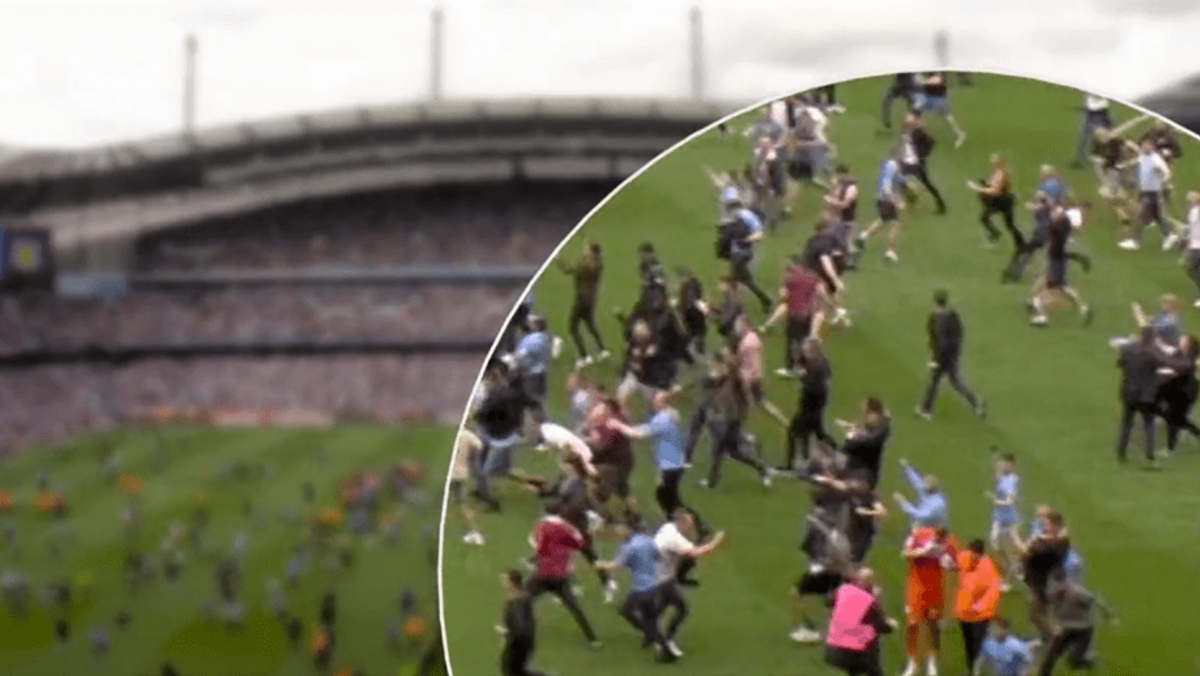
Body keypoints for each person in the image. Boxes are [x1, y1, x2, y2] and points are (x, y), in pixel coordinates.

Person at [597, 516, 677, 662]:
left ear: (629, 529)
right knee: (650, 618)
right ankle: (660, 646)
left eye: (621, 529)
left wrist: (599, 565)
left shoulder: (629, 547)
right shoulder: (648, 541)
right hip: (654, 586)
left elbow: (614, 566)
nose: (618, 532)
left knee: (627, 611)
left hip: (641, 589)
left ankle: (657, 642)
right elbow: (657, 557)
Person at [606, 391, 695, 521]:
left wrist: (617, 425)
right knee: (670, 497)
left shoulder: (663, 419)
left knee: (667, 498)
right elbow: (645, 427)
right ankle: (684, 521)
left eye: (656, 401)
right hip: (676, 463)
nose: (653, 403)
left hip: (670, 465)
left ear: (663, 403)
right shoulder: (671, 415)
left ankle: (683, 522)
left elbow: (637, 434)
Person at [527, 502, 600, 647]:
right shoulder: (569, 528)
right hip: (562, 576)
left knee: (522, 599)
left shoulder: (543, 526)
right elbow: (580, 544)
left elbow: (539, 546)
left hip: (544, 574)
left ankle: (513, 628)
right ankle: (592, 639)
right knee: (575, 608)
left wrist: (533, 559)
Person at [653, 509, 725, 650]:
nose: (691, 529)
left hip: (658, 576)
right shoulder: (674, 539)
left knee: (661, 609)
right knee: (681, 609)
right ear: (681, 522)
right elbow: (696, 552)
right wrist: (715, 542)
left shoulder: (668, 528)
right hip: (661, 581)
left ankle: (657, 637)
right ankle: (665, 641)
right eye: (689, 525)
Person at [900, 526, 959, 676]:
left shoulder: (948, 541)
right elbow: (906, 553)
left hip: (935, 588)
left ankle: (933, 663)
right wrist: (923, 552)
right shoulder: (918, 534)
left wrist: (946, 561)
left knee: (933, 625)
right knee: (913, 625)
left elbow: (955, 565)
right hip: (916, 586)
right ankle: (913, 663)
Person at [918, 290, 986, 420]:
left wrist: (936, 359)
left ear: (935, 303)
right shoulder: (952, 316)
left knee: (952, 383)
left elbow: (939, 342)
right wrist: (955, 353)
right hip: (951, 356)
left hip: (944, 358)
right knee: (939, 383)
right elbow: (959, 334)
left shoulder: (937, 319)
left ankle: (975, 403)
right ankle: (926, 409)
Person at [790, 513, 855, 644]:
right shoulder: (842, 539)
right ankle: (826, 634)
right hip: (838, 576)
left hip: (826, 574)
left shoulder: (831, 541)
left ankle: (810, 628)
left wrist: (819, 567)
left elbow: (830, 559)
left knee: (796, 593)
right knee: (829, 605)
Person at [824, 568, 898, 676]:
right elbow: (881, 627)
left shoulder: (843, 590)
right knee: (870, 636)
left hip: (832, 652)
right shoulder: (870, 600)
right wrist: (892, 624)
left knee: (857, 633)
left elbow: (831, 604)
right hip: (857, 655)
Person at [1028, 203, 1092, 327]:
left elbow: (1045, 229)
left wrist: (1037, 210)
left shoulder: (1055, 230)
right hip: (1058, 261)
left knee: (1052, 289)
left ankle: (1041, 314)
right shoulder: (1064, 226)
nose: (1053, 214)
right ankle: (1083, 309)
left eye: (1056, 213)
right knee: (1060, 286)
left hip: (1056, 262)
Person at [1037, 576, 1117, 676]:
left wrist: (1107, 613)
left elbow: (1094, 600)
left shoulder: (1077, 592)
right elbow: (1045, 603)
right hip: (1066, 629)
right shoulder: (1055, 593)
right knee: (1051, 657)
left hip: (1082, 630)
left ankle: (1088, 661)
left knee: (1074, 662)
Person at [763, 255, 827, 375]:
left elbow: (784, 295)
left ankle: (791, 368)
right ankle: (807, 366)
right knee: (805, 340)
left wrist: (782, 287)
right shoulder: (813, 277)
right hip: (808, 314)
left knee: (792, 341)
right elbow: (821, 292)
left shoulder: (791, 278)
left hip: (795, 314)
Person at [1013, 510, 1071, 642]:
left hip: (1043, 582)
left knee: (1037, 614)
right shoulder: (1055, 539)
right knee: (1040, 613)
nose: (1045, 526)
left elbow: (1025, 551)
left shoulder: (1052, 543)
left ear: (1056, 525)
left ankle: (1052, 638)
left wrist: (1015, 537)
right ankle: (1047, 637)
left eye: (1047, 524)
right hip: (1039, 580)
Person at [1115, 326, 1167, 465]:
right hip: (1147, 394)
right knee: (1149, 424)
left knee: (1127, 423)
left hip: (1129, 391)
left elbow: (1120, 364)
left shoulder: (1128, 348)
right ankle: (1150, 455)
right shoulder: (1154, 352)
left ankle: (1121, 451)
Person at [785, 337, 837, 472]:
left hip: (810, 405)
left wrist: (803, 385)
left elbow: (813, 387)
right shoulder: (821, 361)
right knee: (818, 433)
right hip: (818, 405)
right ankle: (834, 450)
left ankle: (791, 465)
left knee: (793, 432)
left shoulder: (814, 364)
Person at [953, 539, 1003, 676]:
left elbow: (994, 588)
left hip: (981, 615)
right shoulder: (964, 558)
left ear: (980, 554)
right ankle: (971, 670)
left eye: (974, 554)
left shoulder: (988, 567)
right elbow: (954, 559)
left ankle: (982, 667)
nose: (971, 556)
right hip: (964, 612)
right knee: (968, 644)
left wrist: (981, 605)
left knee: (978, 644)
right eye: (970, 553)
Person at [557, 239, 608, 368]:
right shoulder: (598, 265)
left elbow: (569, 270)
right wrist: (586, 255)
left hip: (581, 300)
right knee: (590, 324)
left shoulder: (585, 266)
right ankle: (602, 349)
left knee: (573, 328)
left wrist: (558, 260)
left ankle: (584, 356)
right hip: (591, 300)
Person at [1118, 140, 1174, 251]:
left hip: (1152, 192)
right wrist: (1124, 165)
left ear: (1152, 149)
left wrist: (1162, 182)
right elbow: (1136, 158)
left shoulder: (1156, 160)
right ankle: (1168, 235)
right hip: (1145, 191)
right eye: (1143, 147)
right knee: (1158, 216)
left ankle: (1135, 241)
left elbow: (1167, 173)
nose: (1144, 149)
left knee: (1141, 213)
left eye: (1146, 147)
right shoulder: (1143, 157)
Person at [857, 151, 907, 264]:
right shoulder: (895, 167)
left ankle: (864, 235)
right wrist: (896, 200)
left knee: (883, 220)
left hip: (882, 198)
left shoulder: (887, 164)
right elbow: (889, 185)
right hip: (889, 199)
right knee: (895, 224)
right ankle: (890, 251)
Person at [969, 154, 1024, 255]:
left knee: (1007, 224)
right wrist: (985, 182)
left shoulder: (1000, 173)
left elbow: (994, 191)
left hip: (1003, 202)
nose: (992, 163)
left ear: (999, 162)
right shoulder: (998, 171)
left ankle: (1018, 243)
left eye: (994, 162)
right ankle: (999, 235)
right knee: (986, 217)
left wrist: (978, 188)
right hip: (1002, 200)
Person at [1157, 333, 1200, 454]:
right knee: (1176, 418)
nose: (1180, 342)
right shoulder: (1178, 352)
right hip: (1175, 388)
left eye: (1183, 340)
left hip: (1187, 391)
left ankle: (1170, 448)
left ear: (1189, 344)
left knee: (1175, 419)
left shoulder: (1194, 356)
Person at [499, 570, 547, 676]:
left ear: (512, 584)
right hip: (524, 643)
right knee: (516, 671)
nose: (503, 583)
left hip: (518, 646)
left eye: (505, 581)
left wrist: (508, 637)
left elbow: (520, 628)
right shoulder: (520, 597)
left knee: (513, 671)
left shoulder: (517, 603)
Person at [838, 396, 891, 490]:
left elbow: (859, 445)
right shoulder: (871, 431)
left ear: (876, 414)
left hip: (863, 477)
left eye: (868, 413)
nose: (865, 417)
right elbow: (848, 448)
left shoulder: (879, 433)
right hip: (854, 473)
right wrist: (854, 434)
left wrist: (852, 436)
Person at [985, 453, 1021, 590]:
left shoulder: (1011, 481)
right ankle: (1016, 567)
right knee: (997, 547)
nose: (1003, 466)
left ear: (1013, 466)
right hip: (999, 518)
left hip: (1008, 521)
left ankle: (1008, 581)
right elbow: (998, 474)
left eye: (1007, 464)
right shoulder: (1003, 476)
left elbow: (1011, 501)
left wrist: (996, 501)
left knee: (1008, 551)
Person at [899, 112, 947, 214]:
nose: (906, 122)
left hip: (916, 164)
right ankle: (910, 199)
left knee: (926, 183)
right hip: (907, 161)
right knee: (899, 178)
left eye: (909, 121)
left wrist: (922, 155)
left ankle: (941, 204)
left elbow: (931, 143)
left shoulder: (918, 132)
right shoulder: (907, 131)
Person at [912, 72, 967, 148]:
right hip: (929, 97)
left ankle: (960, 134)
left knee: (947, 118)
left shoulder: (939, 73)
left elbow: (935, 81)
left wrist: (921, 80)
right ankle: (915, 135)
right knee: (917, 114)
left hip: (938, 98)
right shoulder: (932, 72)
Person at [893, 460, 948, 530]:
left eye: (926, 484)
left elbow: (921, 515)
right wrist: (907, 468)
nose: (923, 486)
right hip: (924, 522)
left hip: (931, 528)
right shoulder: (927, 490)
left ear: (932, 487)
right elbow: (917, 481)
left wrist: (904, 503)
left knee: (915, 526)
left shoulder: (937, 502)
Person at [451, 429, 485, 545]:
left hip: (453, 474)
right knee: (460, 504)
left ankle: (473, 531)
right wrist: (471, 459)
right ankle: (471, 531)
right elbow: (480, 447)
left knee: (460, 505)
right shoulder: (468, 435)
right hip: (461, 473)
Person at [1073, 94, 1112, 168]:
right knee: (1091, 134)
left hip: (1100, 110)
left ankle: (1093, 154)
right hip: (1095, 111)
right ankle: (1083, 157)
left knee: (1101, 133)